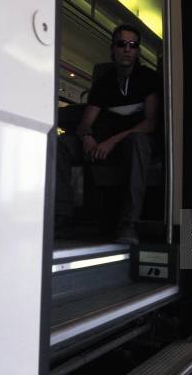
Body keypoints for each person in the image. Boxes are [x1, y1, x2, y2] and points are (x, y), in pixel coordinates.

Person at [55, 24, 160, 245]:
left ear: (137, 51)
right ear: (112, 49)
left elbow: (150, 123)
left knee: (138, 142)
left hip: (130, 143)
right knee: (60, 144)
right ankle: (62, 216)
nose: (127, 49)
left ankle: (129, 223)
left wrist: (112, 141)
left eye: (133, 45)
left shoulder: (148, 78)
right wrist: (87, 138)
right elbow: (86, 122)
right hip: (104, 144)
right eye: (122, 44)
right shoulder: (104, 83)